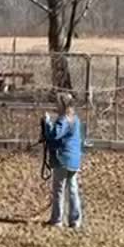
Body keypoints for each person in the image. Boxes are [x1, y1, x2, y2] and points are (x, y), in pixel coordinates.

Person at [42, 92, 84, 229]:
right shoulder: (75, 119)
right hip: (74, 159)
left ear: (62, 104)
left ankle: (57, 220)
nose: (56, 104)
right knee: (72, 189)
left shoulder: (63, 119)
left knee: (59, 189)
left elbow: (54, 135)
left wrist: (47, 123)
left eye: (58, 102)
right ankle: (75, 220)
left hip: (62, 159)